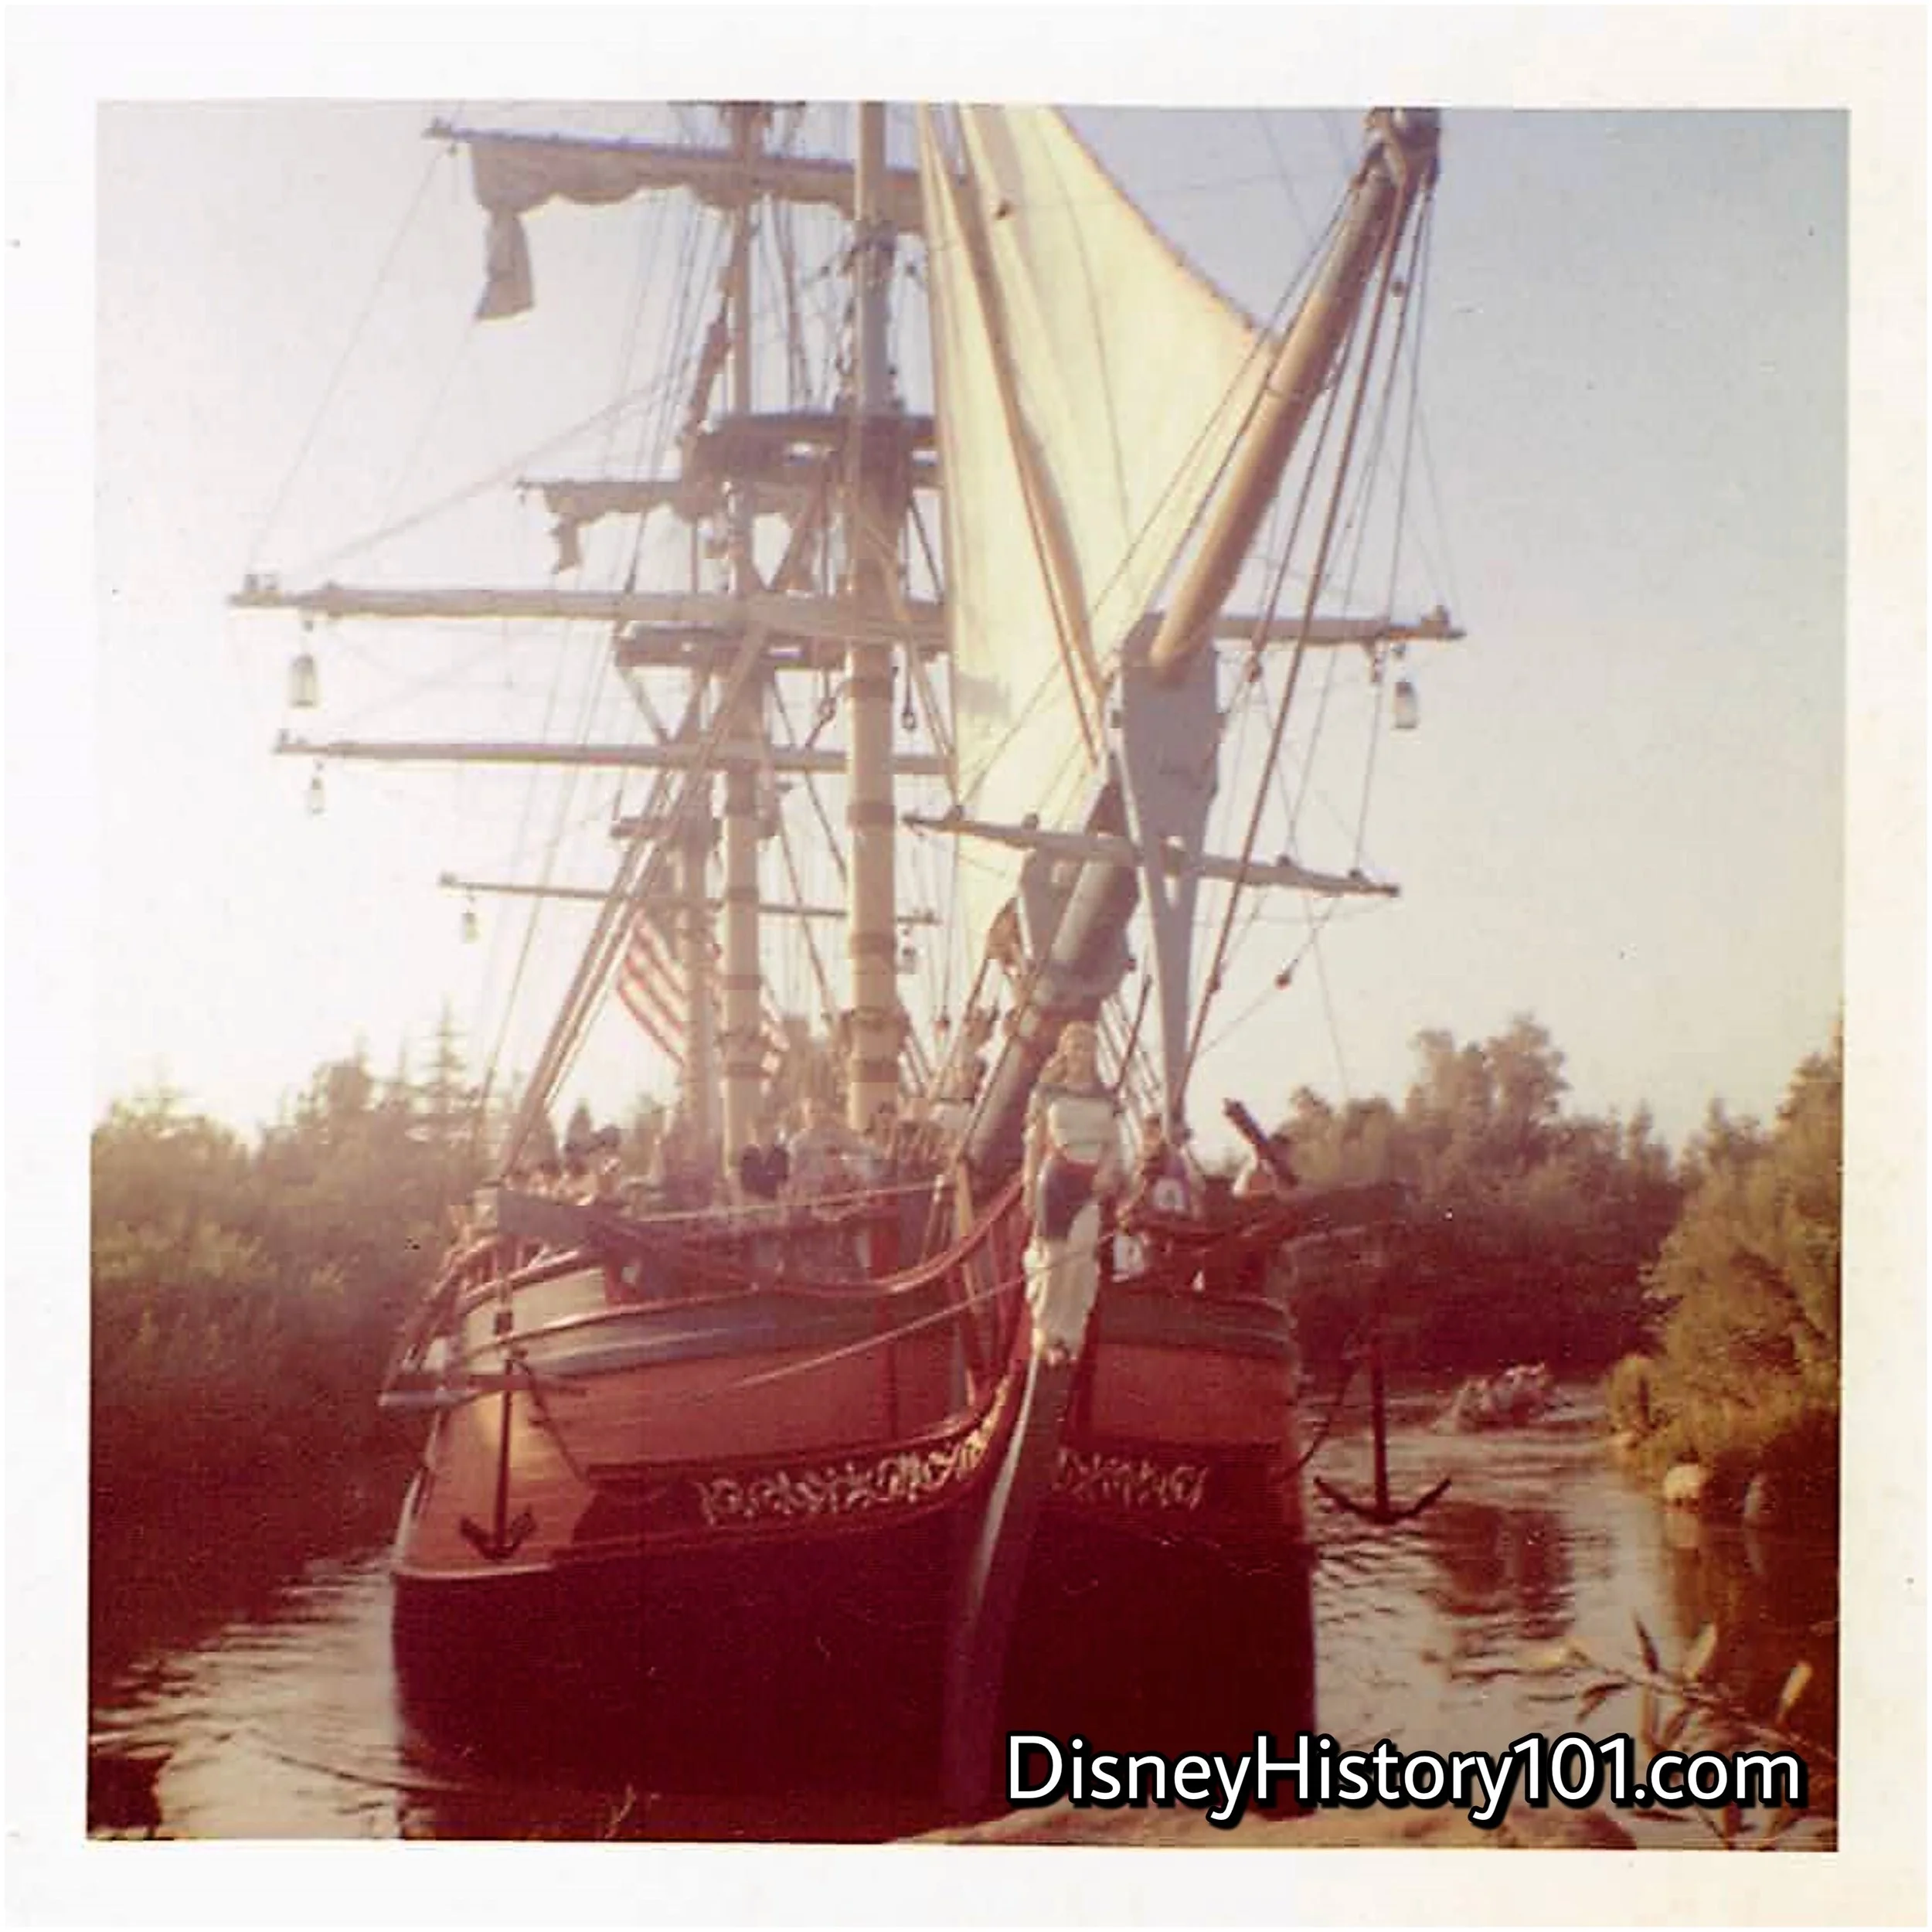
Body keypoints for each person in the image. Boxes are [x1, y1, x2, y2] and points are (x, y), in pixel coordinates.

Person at [1021, 1020, 1123, 1366]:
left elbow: (1113, 1143)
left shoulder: (1106, 1098)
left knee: (1080, 1256)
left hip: (1089, 1179)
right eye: (1076, 1047)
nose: (1082, 1054)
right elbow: (1035, 1144)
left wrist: (1108, 1170)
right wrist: (1028, 1185)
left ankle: (1070, 1333)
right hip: (1057, 1177)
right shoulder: (1048, 1094)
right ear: (1066, 1051)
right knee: (1054, 1260)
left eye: (1088, 1048)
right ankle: (1047, 1334)